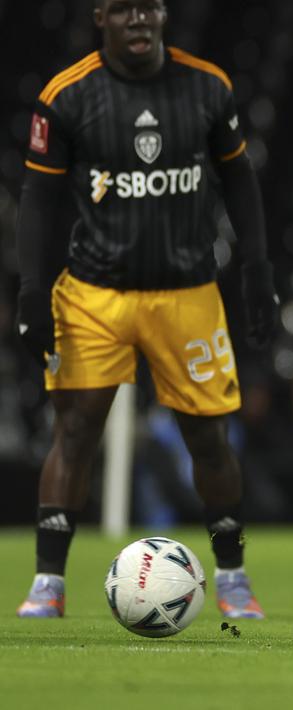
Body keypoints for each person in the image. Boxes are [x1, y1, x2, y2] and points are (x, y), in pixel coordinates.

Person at [14, 0, 276, 620]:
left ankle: (233, 576)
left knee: (209, 437)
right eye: (124, 9)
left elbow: (240, 181)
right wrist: (31, 292)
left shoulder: (207, 87)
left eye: (150, 7)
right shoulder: (67, 95)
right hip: (93, 295)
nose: (139, 20)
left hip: (186, 293)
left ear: (163, 15)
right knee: (74, 432)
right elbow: (38, 198)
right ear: (99, 15)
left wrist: (257, 272)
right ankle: (48, 583)